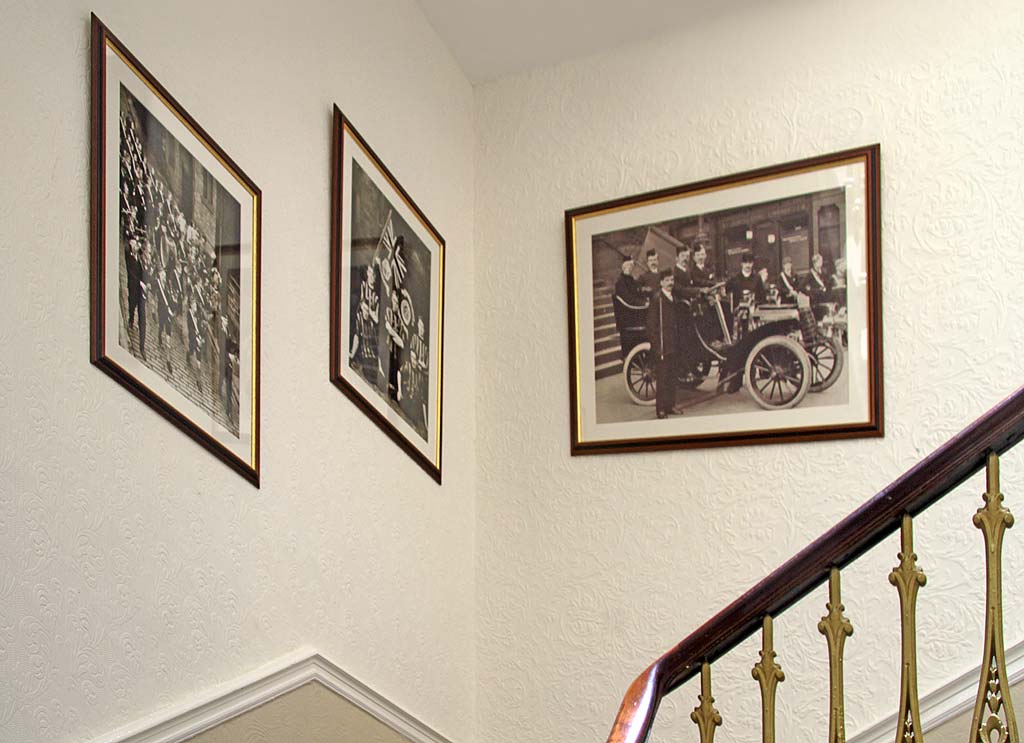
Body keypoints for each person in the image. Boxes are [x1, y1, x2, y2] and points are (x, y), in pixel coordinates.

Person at [646, 269, 682, 419]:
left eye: (672, 280)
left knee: (672, 376)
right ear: (661, 282)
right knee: (662, 378)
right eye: (667, 280)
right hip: (662, 345)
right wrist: (656, 346)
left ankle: (670, 405)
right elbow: (651, 325)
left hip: (673, 343)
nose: (670, 283)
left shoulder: (673, 298)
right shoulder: (657, 299)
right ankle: (660, 409)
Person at [612, 258, 647, 359]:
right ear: (623, 267)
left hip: (632, 312)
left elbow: (637, 292)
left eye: (631, 266)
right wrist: (644, 303)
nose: (629, 268)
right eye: (627, 266)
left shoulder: (630, 279)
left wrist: (643, 293)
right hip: (628, 316)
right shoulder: (620, 282)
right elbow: (629, 299)